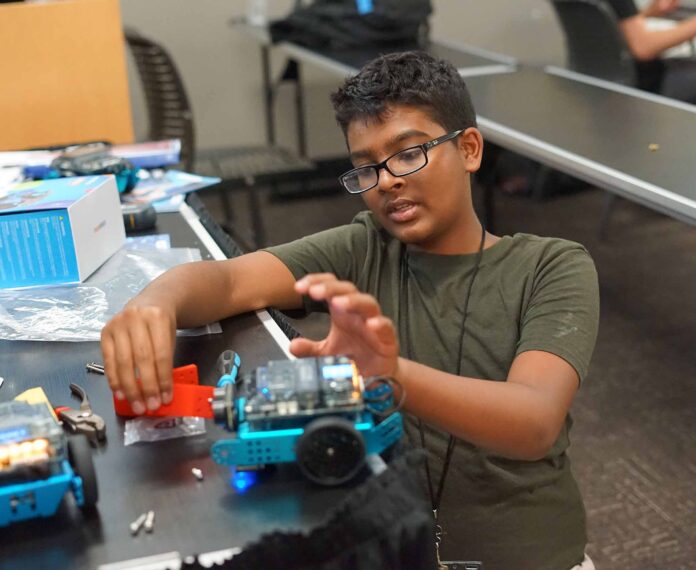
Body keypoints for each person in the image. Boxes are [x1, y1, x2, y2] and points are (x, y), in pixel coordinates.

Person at [101, 51, 600, 570]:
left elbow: (534, 422)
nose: (386, 181)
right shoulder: (367, 246)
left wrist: (391, 375)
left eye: (409, 153)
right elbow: (229, 280)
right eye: (366, 167)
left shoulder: (553, 267)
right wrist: (156, 302)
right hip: (395, 544)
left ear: (469, 149)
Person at [608, 0, 696, 102]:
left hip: (600, 77)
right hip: (640, 84)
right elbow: (642, 48)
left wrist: (649, 12)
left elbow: (617, 25)